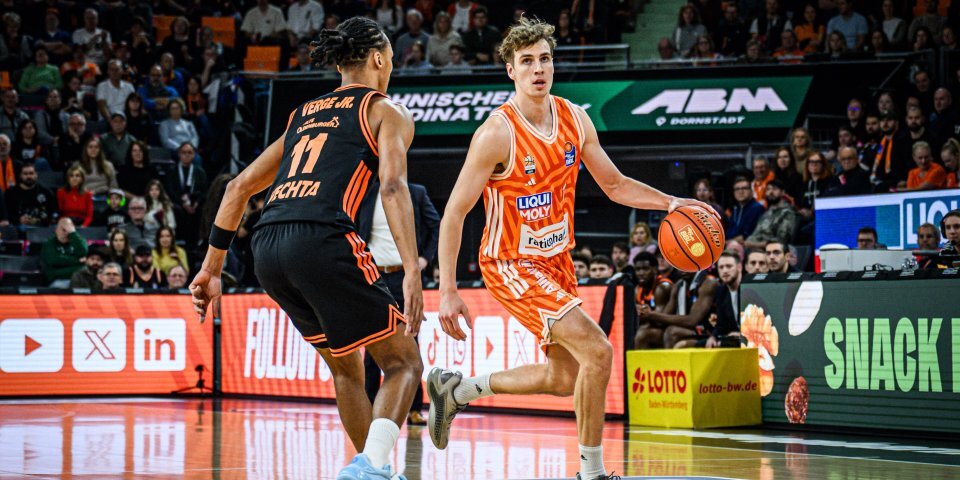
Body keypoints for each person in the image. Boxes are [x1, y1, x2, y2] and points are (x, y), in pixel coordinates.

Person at [429, 18, 715, 480]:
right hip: (511, 262)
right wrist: (447, 290)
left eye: (544, 59)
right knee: (599, 352)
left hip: (557, 261)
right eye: (527, 62)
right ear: (510, 70)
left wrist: (670, 202)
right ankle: (591, 473)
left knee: (564, 378)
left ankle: (457, 391)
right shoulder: (496, 133)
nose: (538, 69)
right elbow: (454, 213)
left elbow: (614, 185)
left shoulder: (574, 119)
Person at [190, 17, 425, 480]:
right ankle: (372, 467)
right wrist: (413, 271)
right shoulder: (385, 111)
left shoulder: (304, 113)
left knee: (347, 371)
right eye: (391, 59)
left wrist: (212, 269)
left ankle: (372, 470)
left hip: (268, 247)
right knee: (404, 362)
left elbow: (237, 188)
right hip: (322, 237)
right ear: (379, 58)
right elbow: (393, 187)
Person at [356, 180, 439, 426]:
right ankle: (369, 409)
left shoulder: (416, 192)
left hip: (404, 276)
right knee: (372, 347)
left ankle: (414, 409)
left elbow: (436, 226)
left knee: (410, 340)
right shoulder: (366, 194)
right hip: (373, 276)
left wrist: (425, 259)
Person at [703, 251, 742, 348]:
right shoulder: (721, 291)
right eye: (721, 267)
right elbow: (721, 324)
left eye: (729, 266)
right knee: (684, 344)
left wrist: (741, 333)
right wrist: (713, 337)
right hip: (731, 338)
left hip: (751, 340)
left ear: (739, 267)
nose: (725, 271)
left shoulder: (749, 287)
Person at [745, 179, 796, 250]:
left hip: (773, 251)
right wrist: (748, 242)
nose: (771, 192)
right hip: (755, 248)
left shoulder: (788, 213)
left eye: (775, 189)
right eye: (768, 189)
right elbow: (755, 234)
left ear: (783, 192)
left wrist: (757, 245)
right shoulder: (766, 212)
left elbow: (782, 240)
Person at [41, 217, 87, 286]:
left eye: (68, 230)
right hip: (58, 279)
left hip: (79, 279)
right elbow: (54, 260)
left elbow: (83, 253)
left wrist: (73, 234)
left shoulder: (78, 240)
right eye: (63, 229)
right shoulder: (49, 243)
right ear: (56, 230)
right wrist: (77, 261)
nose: (65, 233)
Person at [726, 176, 765, 244]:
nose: (740, 191)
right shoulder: (736, 208)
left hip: (748, 245)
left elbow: (746, 235)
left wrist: (725, 243)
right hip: (732, 244)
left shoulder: (757, 208)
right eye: (737, 189)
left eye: (744, 188)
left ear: (751, 191)